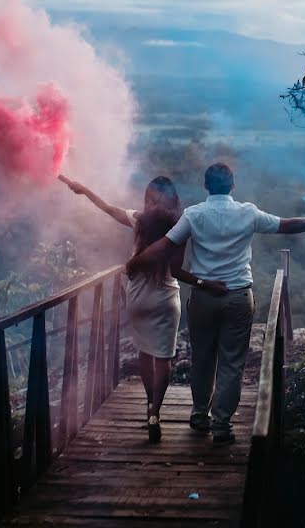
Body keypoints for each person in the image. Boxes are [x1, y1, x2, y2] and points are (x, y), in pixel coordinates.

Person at [126, 162, 305, 446]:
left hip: (203, 298)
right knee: (232, 363)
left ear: (206, 186)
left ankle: (200, 416)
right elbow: (287, 225)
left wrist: (136, 262)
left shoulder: (194, 214)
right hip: (238, 296)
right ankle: (222, 425)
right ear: (232, 186)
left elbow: (165, 246)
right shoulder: (248, 212)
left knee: (203, 359)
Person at [63, 175, 226, 443]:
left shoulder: (140, 221)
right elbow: (178, 271)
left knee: (144, 352)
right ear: (173, 199)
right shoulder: (179, 226)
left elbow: (108, 209)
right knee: (164, 357)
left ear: (150, 199)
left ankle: (149, 405)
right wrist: (204, 283)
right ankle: (156, 412)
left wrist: (84, 190)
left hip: (137, 298)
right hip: (165, 299)